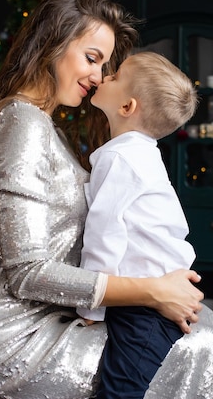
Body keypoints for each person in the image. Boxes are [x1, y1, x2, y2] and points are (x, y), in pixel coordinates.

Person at [0, 0, 213, 399]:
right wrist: (153, 291)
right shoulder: (23, 124)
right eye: (92, 58)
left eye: (106, 66)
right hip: (10, 338)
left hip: (46, 313)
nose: (99, 76)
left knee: (202, 326)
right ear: (53, 43)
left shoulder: (43, 124)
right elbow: (27, 272)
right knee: (200, 347)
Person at [76, 51, 202, 398]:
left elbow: (104, 235)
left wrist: (91, 307)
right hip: (150, 291)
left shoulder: (119, 158)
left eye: (114, 77)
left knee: (121, 389)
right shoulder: (140, 152)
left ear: (127, 107)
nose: (104, 76)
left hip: (145, 308)